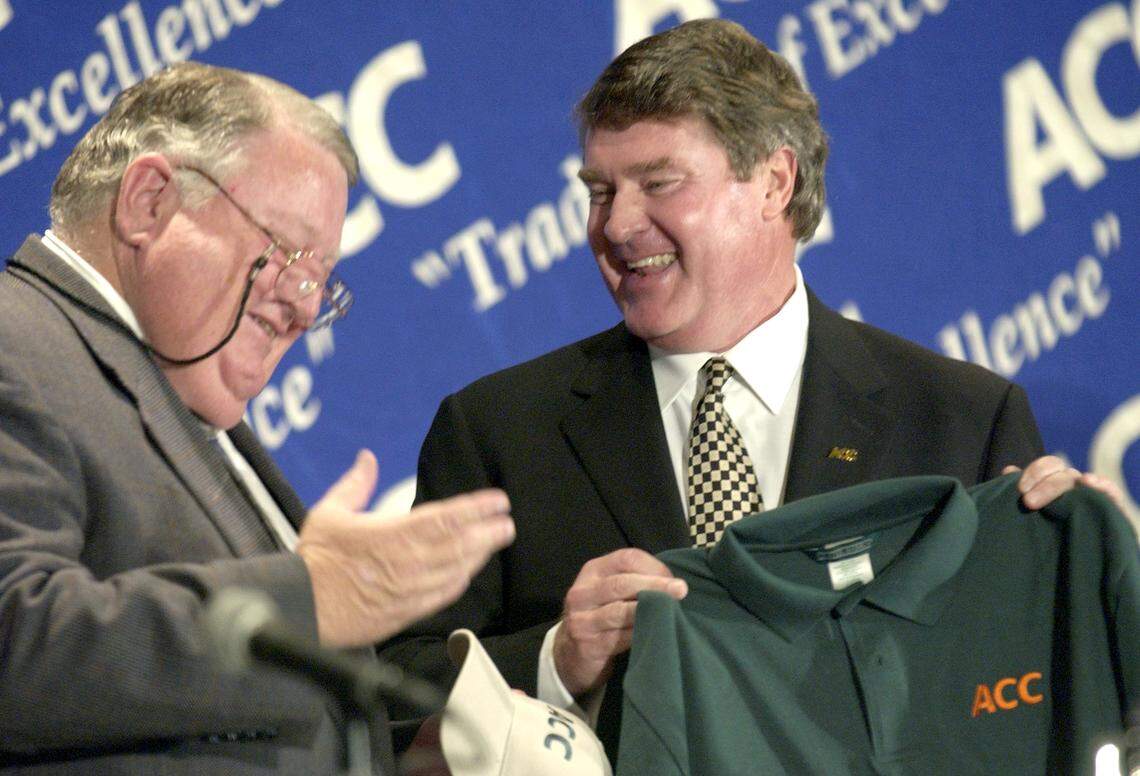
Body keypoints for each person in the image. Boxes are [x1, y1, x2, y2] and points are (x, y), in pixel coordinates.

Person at [377, 17, 1126, 757]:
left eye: (658, 183)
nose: (616, 224)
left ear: (774, 182)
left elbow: (1037, 691)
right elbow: (389, 709)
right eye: (600, 192)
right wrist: (555, 662)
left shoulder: (962, 417)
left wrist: (1079, 563)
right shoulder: (498, 432)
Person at [0, 62, 515, 774]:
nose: (304, 306)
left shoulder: (174, 395)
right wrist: (308, 601)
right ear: (148, 204)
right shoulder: (16, 341)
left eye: (321, 277)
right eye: (286, 254)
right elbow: (14, 640)